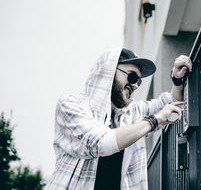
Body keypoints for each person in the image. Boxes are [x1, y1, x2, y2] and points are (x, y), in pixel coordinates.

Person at [46, 48, 192, 190]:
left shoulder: (131, 114)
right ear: (108, 72)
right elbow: (100, 143)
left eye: (139, 81)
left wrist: (177, 80)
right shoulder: (70, 105)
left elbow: (171, 103)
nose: (135, 85)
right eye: (132, 77)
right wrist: (153, 121)